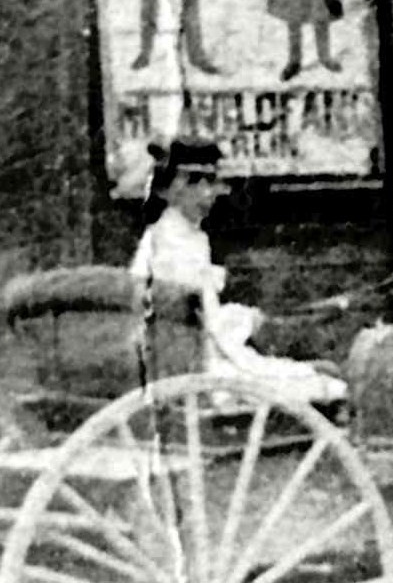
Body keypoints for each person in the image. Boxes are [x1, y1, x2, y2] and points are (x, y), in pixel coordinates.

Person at [130, 138, 346, 404]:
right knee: (328, 384)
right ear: (165, 190)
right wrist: (243, 324)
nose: (207, 193)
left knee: (315, 372)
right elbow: (195, 324)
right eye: (193, 182)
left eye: (211, 181)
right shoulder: (170, 243)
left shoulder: (188, 237)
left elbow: (199, 313)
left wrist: (240, 318)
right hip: (201, 370)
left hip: (201, 354)